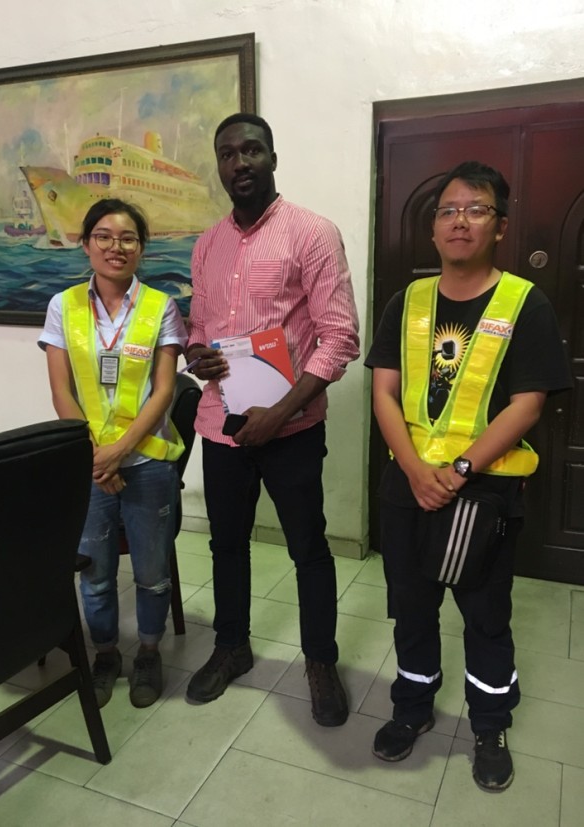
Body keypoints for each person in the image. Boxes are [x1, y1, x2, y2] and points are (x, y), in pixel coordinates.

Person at [365, 161, 572, 790]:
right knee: (411, 606)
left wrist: (457, 470)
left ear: (500, 226)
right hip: (408, 483)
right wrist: (413, 467)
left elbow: (528, 404)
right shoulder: (407, 301)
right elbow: (384, 391)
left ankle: (489, 722)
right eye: (449, 211)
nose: (460, 221)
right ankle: (412, 706)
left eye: (476, 210)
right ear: (433, 228)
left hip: (482, 490)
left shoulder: (524, 303)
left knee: (484, 612)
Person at [184, 113, 360, 726]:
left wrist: (281, 412)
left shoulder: (312, 233)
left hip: (292, 430)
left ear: (273, 158)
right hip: (221, 425)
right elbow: (200, 329)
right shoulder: (207, 245)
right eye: (227, 153)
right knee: (226, 545)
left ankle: (320, 663)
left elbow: (340, 338)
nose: (240, 162)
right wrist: (197, 355)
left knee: (308, 548)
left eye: (252, 150)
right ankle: (231, 647)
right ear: (219, 164)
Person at [38, 198, 187, 709]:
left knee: (152, 572)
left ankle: (148, 651)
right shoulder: (63, 306)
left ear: (141, 248)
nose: (115, 247)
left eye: (127, 238)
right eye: (103, 236)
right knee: (95, 574)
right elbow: (61, 390)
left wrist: (118, 452)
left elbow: (164, 391)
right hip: (89, 465)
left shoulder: (161, 306)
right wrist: (95, 458)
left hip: (146, 463)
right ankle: (105, 652)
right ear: (85, 244)